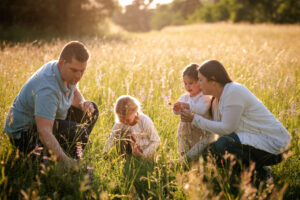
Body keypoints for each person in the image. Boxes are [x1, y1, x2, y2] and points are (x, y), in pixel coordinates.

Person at [178, 60, 291, 181]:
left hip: (276, 146)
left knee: (223, 144)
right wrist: (187, 158)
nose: (198, 84)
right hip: (253, 142)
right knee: (210, 152)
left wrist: (194, 119)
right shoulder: (215, 101)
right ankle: (258, 172)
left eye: (201, 80)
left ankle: (259, 176)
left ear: (213, 80)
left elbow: (227, 128)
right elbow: (214, 133)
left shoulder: (233, 91)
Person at [4, 41, 99, 167]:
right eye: (74, 70)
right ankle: (65, 160)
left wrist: (82, 103)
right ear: (61, 63)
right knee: (79, 132)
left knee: (92, 109)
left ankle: (71, 152)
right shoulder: (47, 89)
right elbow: (44, 132)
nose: (78, 75)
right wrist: (67, 162)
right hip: (25, 134)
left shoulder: (65, 71)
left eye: (82, 71)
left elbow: (74, 89)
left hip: (47, 119)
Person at [173, 63, 217, 156]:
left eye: (191, 83)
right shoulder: (184, 97)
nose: (188, 86)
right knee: (183, 145)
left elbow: (202, 109)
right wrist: (176, 109)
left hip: (199, 129)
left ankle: (195, 160)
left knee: (197, 150)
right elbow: (176, 112)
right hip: (185, 128)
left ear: (199, 82)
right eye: (185, 83)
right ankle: (183, 161)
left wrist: (187, 106)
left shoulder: (204, 97)